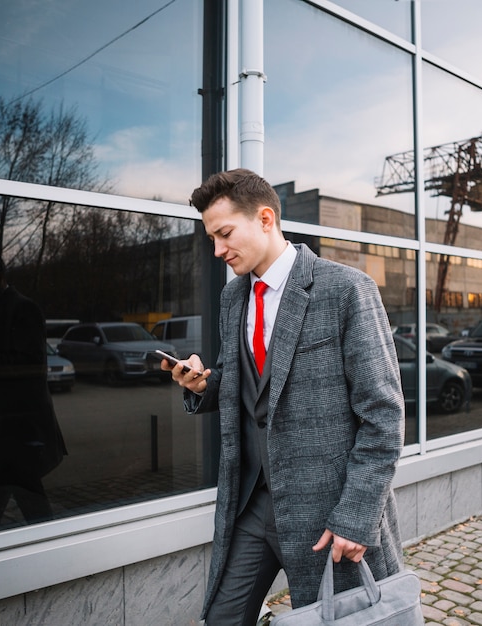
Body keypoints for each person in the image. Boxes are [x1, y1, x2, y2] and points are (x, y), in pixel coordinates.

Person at [164, 169, 405, 625]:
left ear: (266, 219)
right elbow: (253, 386)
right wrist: (205, 386)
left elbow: (384, 415)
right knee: (222, 618)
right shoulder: (234, 297)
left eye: (225, 234)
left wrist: (357, 514)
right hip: (252, 503)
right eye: (212, 238)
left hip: (327, 513)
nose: (217, 250)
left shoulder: (347, 289)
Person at [0, 247, 67, 534]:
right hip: (4, 431)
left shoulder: (21, 309)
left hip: (19, 432)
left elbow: (32, 367)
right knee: (18, 502)